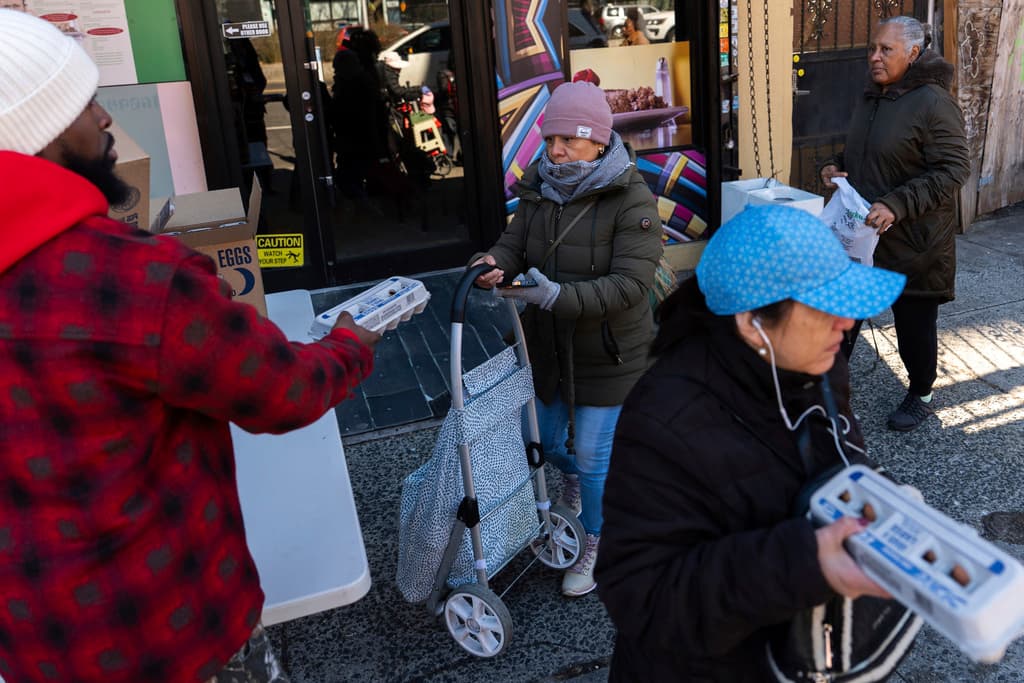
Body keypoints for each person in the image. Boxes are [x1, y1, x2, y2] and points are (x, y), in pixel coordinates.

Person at [0, 11, 380, 683]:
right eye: (88, 104)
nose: (107, 121)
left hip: (34, 646)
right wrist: (352, 341)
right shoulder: (134, 279)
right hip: (173, 633)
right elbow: (284, 391)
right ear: (43, 131)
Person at [595, 204, 908, 680]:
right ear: (751, 322)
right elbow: (643, 598)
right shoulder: (664, 420)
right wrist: (802, 561)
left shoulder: (819, 365)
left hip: (802, 654)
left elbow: (833, 457)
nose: (846, 323)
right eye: (825, 307)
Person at [471, 80, 663, 597]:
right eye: (550, 139)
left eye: (569, 142)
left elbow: (630, 285)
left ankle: (599, 540)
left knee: (595, 458)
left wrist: (555, 296)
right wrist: (493, 264)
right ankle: (576, 487)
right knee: (549, 442)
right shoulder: (540, 185)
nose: (556, 152)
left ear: (599, 142)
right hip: (548, 348)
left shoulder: (631, 197)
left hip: (610, 354)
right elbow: (515, 243)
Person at [821, 16, 969, 432]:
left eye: (886, 49)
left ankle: (921, 393)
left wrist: (897, 204)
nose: (874, 57)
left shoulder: (933, 103)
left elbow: (954, 170)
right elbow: (864, 152)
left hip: (915, 241)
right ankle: (826, 390)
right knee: (842, 315)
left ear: (914, 54)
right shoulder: (874, 96)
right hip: (863, 237)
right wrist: (835, 166)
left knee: (913, 326)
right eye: (873, 48)